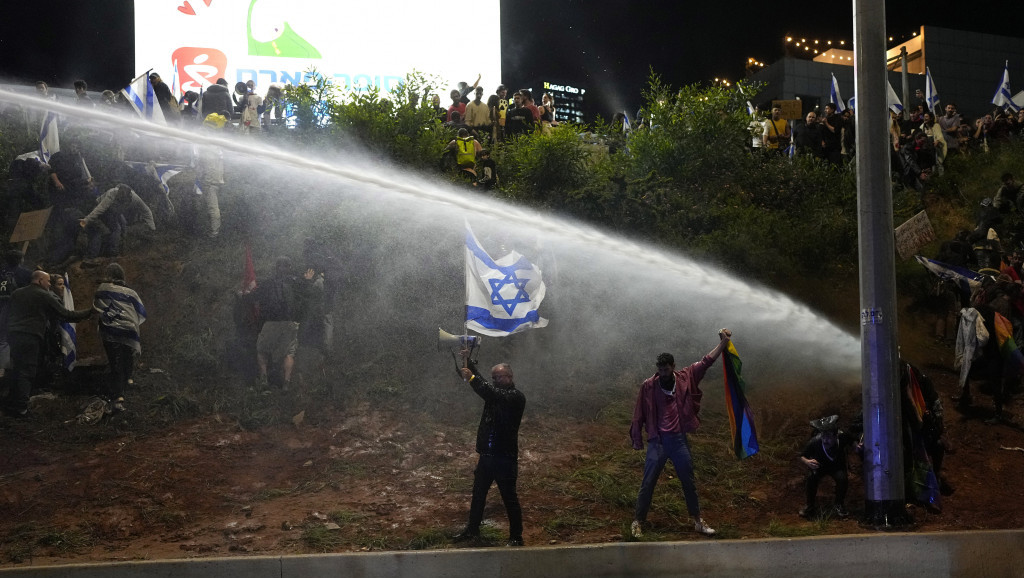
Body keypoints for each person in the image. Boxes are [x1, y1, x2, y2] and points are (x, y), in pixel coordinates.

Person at [629, 329, 733, 538]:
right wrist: (637, 438)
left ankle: (697, 521)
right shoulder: (649, 386)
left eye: (666, 369)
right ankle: (638, 522)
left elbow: (706, 362)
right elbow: (638, 413)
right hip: (657, 442)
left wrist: (723, 344)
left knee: (688, 481)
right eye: (660, 370)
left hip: (678, 441)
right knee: (647, 482)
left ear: (673, 367)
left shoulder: (686, 377)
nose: (663, 374)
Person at [453, 352, 526, 547]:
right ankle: (472, 529)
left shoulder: (515, 397)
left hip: (505, 458)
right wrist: (468, 362)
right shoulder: (495, 395)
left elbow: (488, 391)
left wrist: (473, 377)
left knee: (509, 498)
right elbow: (486, 388)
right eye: (494, 377)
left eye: (499, 377)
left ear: (509, 377)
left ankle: (516, 536)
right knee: (478, 494)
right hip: (487, 456)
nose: (495, 380)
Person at [1, 270, 92, 417]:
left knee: (16, 368)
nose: (49, 284)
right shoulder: (44, 295)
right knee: (27, 371)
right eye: (48, 281)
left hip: (13, 336)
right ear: (39, 280)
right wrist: (89, 312)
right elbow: (65, 314)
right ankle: (21, 408)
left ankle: (10, 403)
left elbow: (6, 313)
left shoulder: (17, 293)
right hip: (31, 336)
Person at [250, 256, 318, 392]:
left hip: (271, 322)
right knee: (289, 353)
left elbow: (254, 297)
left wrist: (249, 291)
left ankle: (264, 380)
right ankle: (286, 383)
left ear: (276, 268)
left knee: (262, 351)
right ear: (290, 268)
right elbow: (308, 294)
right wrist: (308, 281)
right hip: (290, 322)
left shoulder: (268, 282)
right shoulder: (295, 281)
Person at [93, 263, 146, 412]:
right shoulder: (130, 292)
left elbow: (97, 306)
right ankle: (128, 379)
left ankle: (118, 397)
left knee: (114, 361)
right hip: (129, 329)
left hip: (110, 330)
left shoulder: (102, 289)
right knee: (127, 353)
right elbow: (141, 311)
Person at [79, 184, 156, 261]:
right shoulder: (112, 194)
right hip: (103, 208)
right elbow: (100, 209)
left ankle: (116, 251)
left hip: (115, 212)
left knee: (123, 227)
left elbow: (146, 210)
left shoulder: (135, 198)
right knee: (112, 229)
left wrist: (152, 227)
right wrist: (86, 220)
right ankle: (101, 255)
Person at [798, 414, 850, 519]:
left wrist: (856, 446)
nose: (825, 440)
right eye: (823, 436)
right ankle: (810, 506)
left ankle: (839, 505)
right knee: (811, 478)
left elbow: (852, 440)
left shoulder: (842, 437)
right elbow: (802, 455)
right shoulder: (815, 441)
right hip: (819, 466)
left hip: (837, 466)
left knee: (842, 479)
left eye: (829, 437)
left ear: (836, 436)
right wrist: (808, 462)